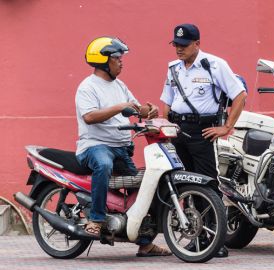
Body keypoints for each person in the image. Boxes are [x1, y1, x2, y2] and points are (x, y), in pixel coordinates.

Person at [75, 36, 171, 257]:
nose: (121, 61)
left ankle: (145, 242)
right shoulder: (87, 87)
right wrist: (120, 107)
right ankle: (97, 220)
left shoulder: (119, 85)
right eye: (117, 57)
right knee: (103, 164)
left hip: (122, 148)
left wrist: (150, 109)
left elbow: (135, 109)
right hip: (95, 146)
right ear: (103, 61)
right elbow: (89, 117)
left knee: (146, 186)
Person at [160, 24, 247, 258]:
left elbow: (240, 95)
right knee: (184, 184)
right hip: (178, 130)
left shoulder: (215, 65)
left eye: (184, 45)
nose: (179, 49)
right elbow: (167, 100)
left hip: (203, 131)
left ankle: (215, 240)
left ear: (197, 44)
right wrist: (166, 125)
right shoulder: (173, 68)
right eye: (176, 45)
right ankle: (197, 236)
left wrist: (227, 127)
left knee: (207, 184)